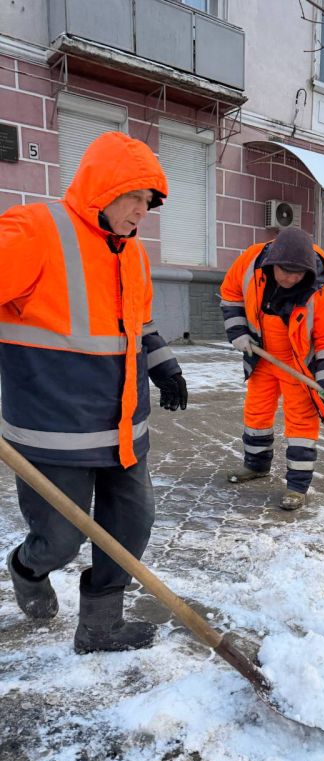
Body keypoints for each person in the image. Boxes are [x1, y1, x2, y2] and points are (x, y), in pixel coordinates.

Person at [0, 131, 188, 654]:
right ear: (105, 188)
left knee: (131, 526)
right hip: (52, 430)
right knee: (60, 540)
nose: (141, 212)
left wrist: (165, 368)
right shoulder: (38, 230)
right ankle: (26, 567)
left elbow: (140, 323)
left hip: (124, 427)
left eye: (148, 203)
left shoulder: (133, 255)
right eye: (135, 198)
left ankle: (99, 626)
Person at [220, 227, 324, 511]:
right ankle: (255, 466)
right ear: (271, 262)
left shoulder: (321, 293)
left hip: (297, 365)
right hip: (262, 356)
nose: (288, 278)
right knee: (256, 413)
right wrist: (238, 332)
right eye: (283, 271)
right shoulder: (251, 263)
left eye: (296, 273)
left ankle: (296, 488)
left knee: (301, 423)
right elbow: (230, 294)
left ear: (308, 271)